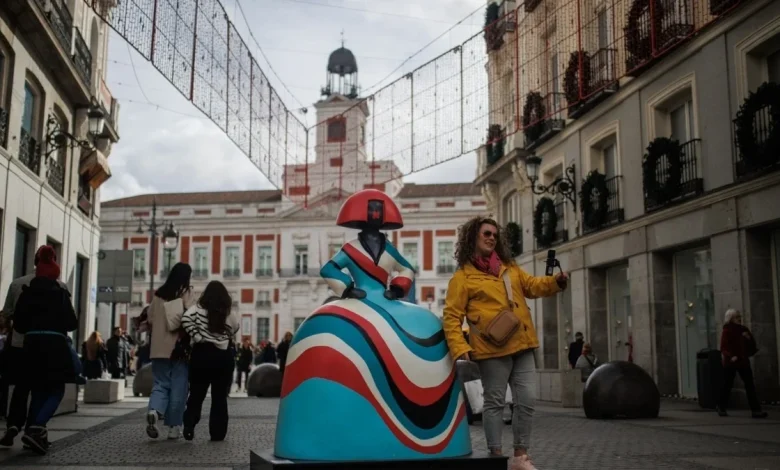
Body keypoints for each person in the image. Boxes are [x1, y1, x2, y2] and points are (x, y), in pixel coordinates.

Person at [273, 189, 471, 461]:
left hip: (385, 297)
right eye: (370, 216)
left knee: (430, 329)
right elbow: (329, 269)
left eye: (378, 216)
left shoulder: (388, 248)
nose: (374, 221)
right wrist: (347, 290)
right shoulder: (351, 248)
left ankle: (429, 432)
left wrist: (398, 288)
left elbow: (406, 269)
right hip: (359, 298)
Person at [443, 216, 568, 470]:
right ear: (472, 238)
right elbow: (452, 316)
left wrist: (555, 282)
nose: (491, 238)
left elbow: (532, 286)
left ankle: (520, 458)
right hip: (491, 349)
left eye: (494, 235)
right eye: (486, 234)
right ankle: (496, 457)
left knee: (527, 400)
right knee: (495, 404)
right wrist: (460, 348)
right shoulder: (463, 277)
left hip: (522, 344)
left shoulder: (509, 268)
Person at [9, 246, 78, 454]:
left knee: (38, 387)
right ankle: (37, 426)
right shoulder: (61, 292)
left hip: (30, 344)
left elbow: (18, 324)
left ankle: (33, 431)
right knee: (56, 389)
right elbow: (72, 322)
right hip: (55, 345)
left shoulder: (26, 292)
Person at [181, 281, 239, 441]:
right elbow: (236, 328)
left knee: (196, 393)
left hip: (201, 354)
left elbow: (185, 319)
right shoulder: (228, 313)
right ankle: (217, 433)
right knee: (219, 396)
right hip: (222, 357)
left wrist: (198, 336)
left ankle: (189, 423)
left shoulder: (198, 309)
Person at [146, 263, 194, 440]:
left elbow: (150, 318)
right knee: (178, 388)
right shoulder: (186, 293)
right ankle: (174, 428)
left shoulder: (159, 294)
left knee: (160, 384)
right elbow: (191, 318)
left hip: (158, 349)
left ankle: (155, 411)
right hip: (178, 349)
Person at [716, 309, 767, 418]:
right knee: (727, 385)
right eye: (737, 317)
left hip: (743, 360)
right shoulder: (727, 330)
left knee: (749, 385)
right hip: (731, 362)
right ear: (731, 319)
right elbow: (723, 347)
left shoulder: (743, 329)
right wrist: (731, 356)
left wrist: (748, 339)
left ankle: (756, 410)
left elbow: (752, 345)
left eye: (740, 316)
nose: (739, 318)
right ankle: (721, 406)